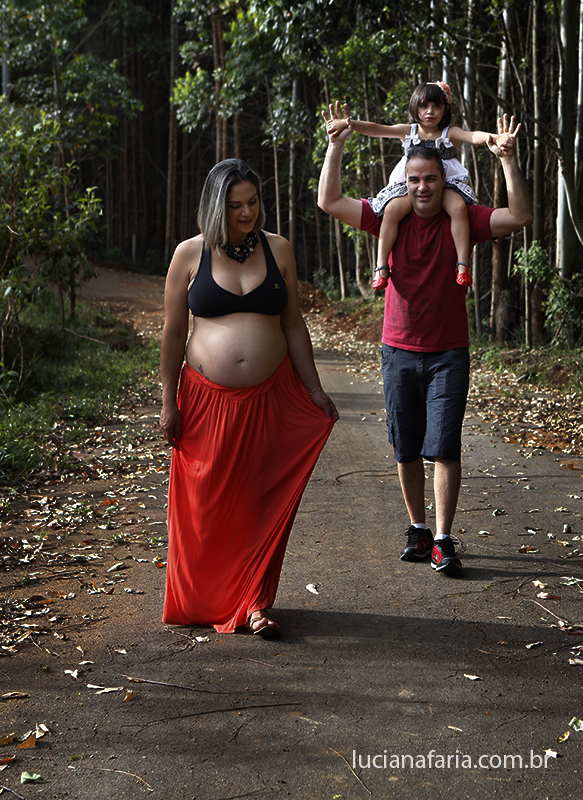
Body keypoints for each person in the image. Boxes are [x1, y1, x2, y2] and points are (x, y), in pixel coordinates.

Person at [318, 102, 531, 575]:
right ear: (404, 181)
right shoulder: (388, 217)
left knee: (445, 445)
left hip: (448, 353)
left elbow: (519, 216)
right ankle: (417, 528)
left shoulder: (466, 220)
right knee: (407, 445)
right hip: (397, 350)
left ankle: (442, 536)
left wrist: (508, 161)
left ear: (444, 180)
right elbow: (329, 202)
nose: (421, 188)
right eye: (413, 180)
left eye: (430, 180)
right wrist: (335, 147)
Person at [159, 158, 338, 636]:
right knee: (205, 505)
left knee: (258, 500)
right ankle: (204, 598)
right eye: (235, 205)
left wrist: (315, 389)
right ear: (215, 206)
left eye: (253, 202)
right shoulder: (188, 255)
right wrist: (167, 401)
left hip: (269, 398)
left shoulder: (277, 248)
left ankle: (254, 603)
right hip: (204, 401)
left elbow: (293, 324)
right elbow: (174, 333)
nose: (246, 213)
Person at [325, 81, 505, 290]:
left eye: (437, 106)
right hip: (411, 184)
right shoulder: (408, 131)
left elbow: (473, 136)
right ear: (415, 107)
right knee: (392, 210)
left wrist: (495, 138)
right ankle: (381, 267)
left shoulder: (449, 133)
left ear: (445, 109)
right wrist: (350, 124)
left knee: (458, 208)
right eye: (424, 106)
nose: (430, 112)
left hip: (444, 183)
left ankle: (462, 266)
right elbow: (377, 128)